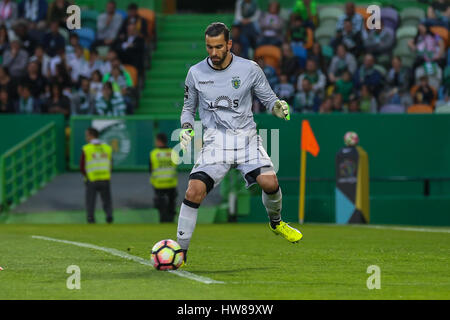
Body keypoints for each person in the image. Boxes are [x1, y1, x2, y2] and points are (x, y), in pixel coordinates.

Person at [177, 22, 303, 264]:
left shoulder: (249, 69)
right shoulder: (195, 72)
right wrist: (186, 128)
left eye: (218, 47)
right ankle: (180, 252)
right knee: (194, 191)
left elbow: (270, 100)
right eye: (209, 47)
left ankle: (276, 223)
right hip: (215, 143)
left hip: (246, 140)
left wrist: (279, 108)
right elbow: (187, 109)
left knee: (270, 182)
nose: (213, 53)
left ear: (229, 45)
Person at [80, 127, 113, 224]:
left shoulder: (86, 148)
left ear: (90, 135)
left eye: (87, 135)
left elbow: (82, 165)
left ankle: (91, 218)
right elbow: (111, 163)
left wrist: (87, 175)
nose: (86, 137)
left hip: (92, 178)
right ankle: (109, 216)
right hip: (105, 178)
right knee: (107, 200)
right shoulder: (107, 148)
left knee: (90, 201)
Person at [150, 133, 178, 223]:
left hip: (159, 184)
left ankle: (163, 219)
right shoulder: (173, 152)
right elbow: (175, 166)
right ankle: (171, 219)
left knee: (160, 205)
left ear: (158, 141)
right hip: (171, 182)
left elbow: (151, 169)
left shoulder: (154, 154)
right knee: (171, 204)